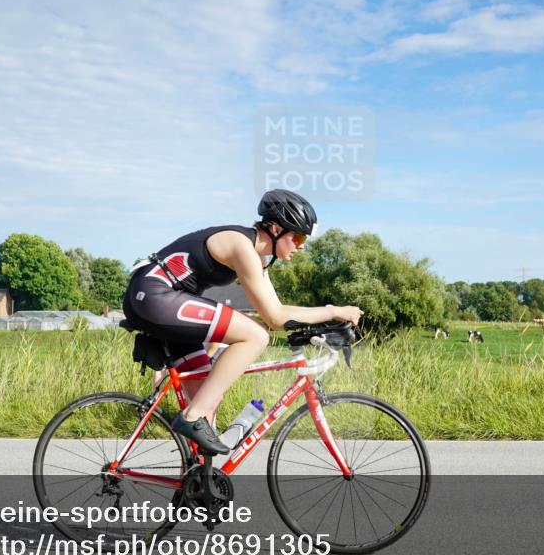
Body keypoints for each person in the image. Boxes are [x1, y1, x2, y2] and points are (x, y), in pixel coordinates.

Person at [121, 189, 363, 454]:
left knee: (209, 394)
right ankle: (192, 417)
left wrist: (322, 318)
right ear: (275, 229)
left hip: (163, 302)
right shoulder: (241, 246)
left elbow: (279, 312)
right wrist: (333, 310)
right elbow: (275, 318)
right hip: (153, 296)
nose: (301, 245)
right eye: (298, 237)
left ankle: (199, 475)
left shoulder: (257, 258)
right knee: (256, 336)